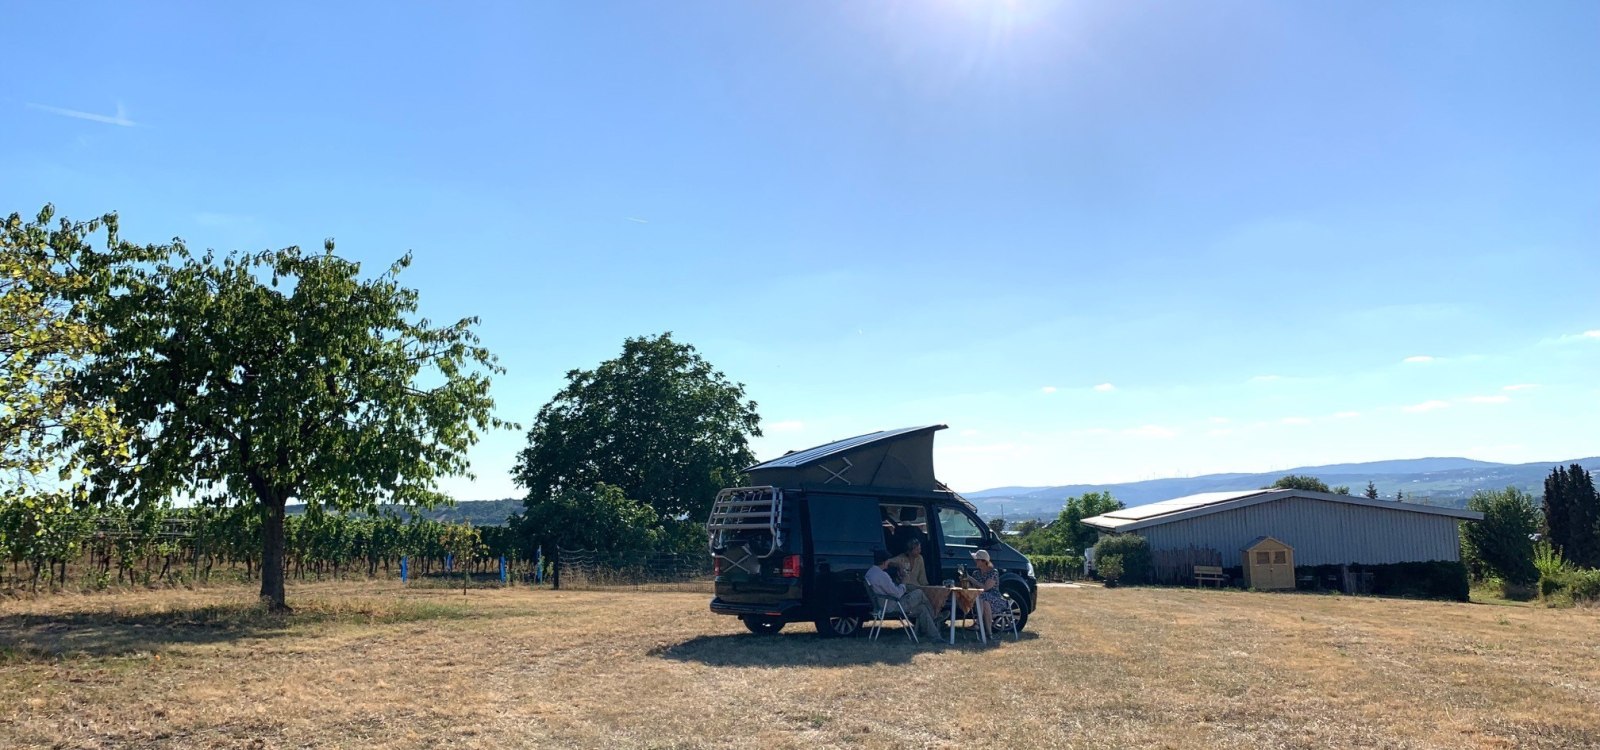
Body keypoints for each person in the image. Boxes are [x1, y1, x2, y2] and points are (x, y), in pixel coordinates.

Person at [864, 548, 941, 640]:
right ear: (885, 562)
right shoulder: (882, 575)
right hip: (892, 605)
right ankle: (935, 616)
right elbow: (897, 594)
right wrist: (904, 582)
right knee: (920, 593)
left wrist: (899, 583)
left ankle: (935, 637)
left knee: (922, 608)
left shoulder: (870, 573)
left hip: (881, 605)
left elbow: (888, 589)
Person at [962, 549, 1010, 635]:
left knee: (982, 596)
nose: (975, 561)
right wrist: (964, 580)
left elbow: (985, 588)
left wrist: (970, 579)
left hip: (995, 600)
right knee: (985, 603)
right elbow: (973, 588)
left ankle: (978, 623)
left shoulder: (993, 572)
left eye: (977, 560)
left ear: (983, 561)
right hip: (982, 600)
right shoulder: (976, 573)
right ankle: (989, 634)